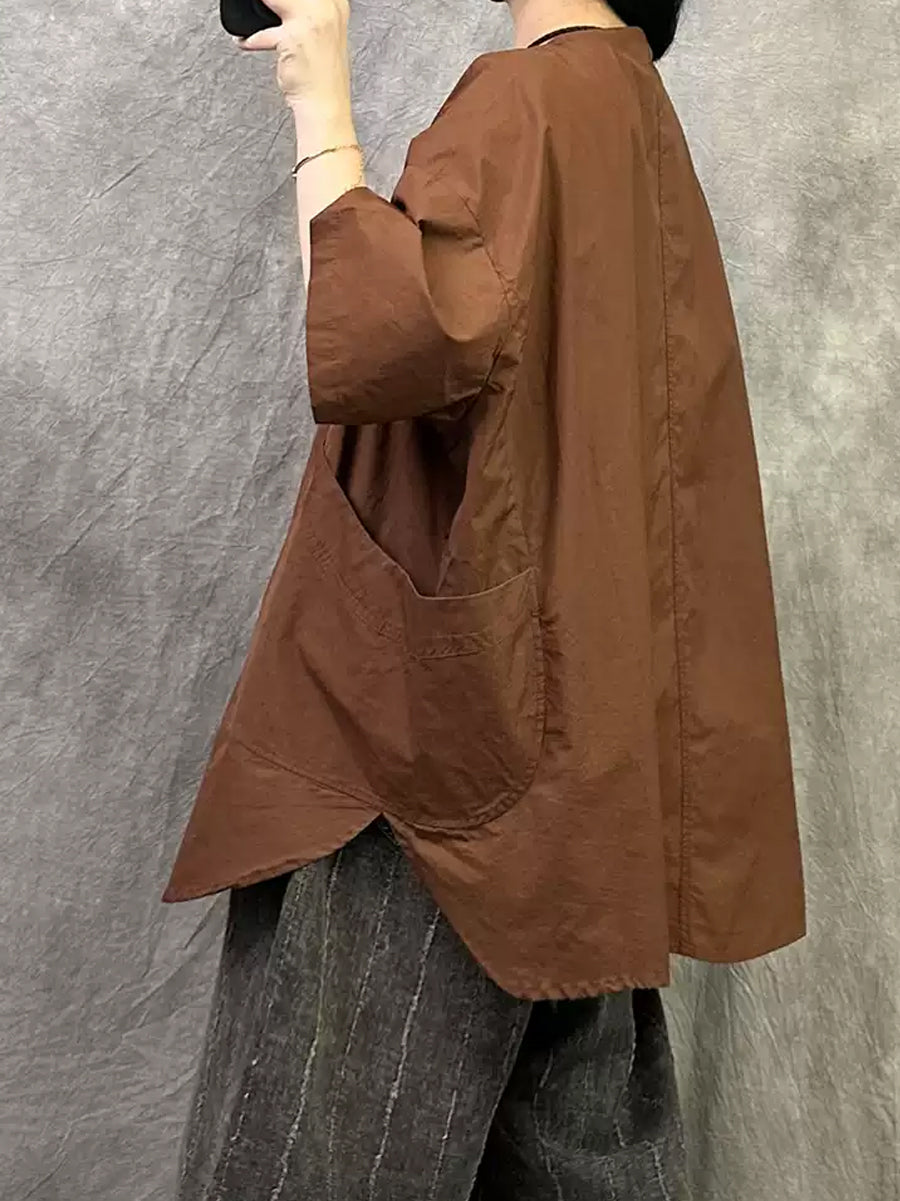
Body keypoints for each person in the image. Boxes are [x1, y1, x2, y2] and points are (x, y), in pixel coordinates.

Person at [166, 0, 807, 1196]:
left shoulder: (530, 98)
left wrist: (320, 94)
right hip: (593, 791)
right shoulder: (633, 107)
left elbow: (383, 345)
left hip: (447, 776)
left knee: (314, 1156)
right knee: (582, 1160)